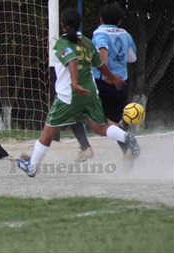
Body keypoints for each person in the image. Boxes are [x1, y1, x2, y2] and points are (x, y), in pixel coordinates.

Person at [16, 8, 140, 177]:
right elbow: (100, 65)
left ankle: (32, 166)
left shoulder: (62, 42)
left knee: (48, 132)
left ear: (62, 24)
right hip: (90, 93)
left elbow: (72, 60)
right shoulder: (88, 43)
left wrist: (74, 82)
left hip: (70, 95)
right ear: (80, 24)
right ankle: (126, 137)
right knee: (99, 126)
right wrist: (112, 78)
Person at [71, 4, 137, 161]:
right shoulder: (126, 35)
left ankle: (86, 149)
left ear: (100, 19)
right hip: (121, 85)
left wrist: (108, 75)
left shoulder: (100, 33)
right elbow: (132, 58)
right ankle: (128, 150)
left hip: (102, 84)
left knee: (74, 112)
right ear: (120, 21)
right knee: (112, 122)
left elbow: (102, 53)